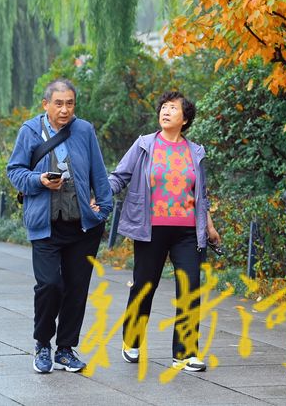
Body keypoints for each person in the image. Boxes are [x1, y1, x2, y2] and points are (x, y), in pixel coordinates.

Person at [108, 90, 221, 373]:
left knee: (190, 289)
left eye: (173, 108)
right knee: (144, 287)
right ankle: (131, 341)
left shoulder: (195, 151)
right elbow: (120, 176)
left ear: (185, 119)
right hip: (151, 229)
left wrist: (208, 225)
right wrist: (100, 195)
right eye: (164, 107)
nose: (166, 112)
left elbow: (201, 193)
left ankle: (184, 353)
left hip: (186, 233)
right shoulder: (145, 144)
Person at [7, 78, 113, 374]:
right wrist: (38, 181)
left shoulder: (84, 130)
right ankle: (43, 344)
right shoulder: (29, 131)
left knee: (77, 289)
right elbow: (15, 171)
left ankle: (65, 349)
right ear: (46, 104)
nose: (65, 109)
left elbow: (98, 172)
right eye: (58, 103)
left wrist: (103, 209)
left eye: (70, 103)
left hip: (82, 227)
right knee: (50, 285)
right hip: (46, 225)